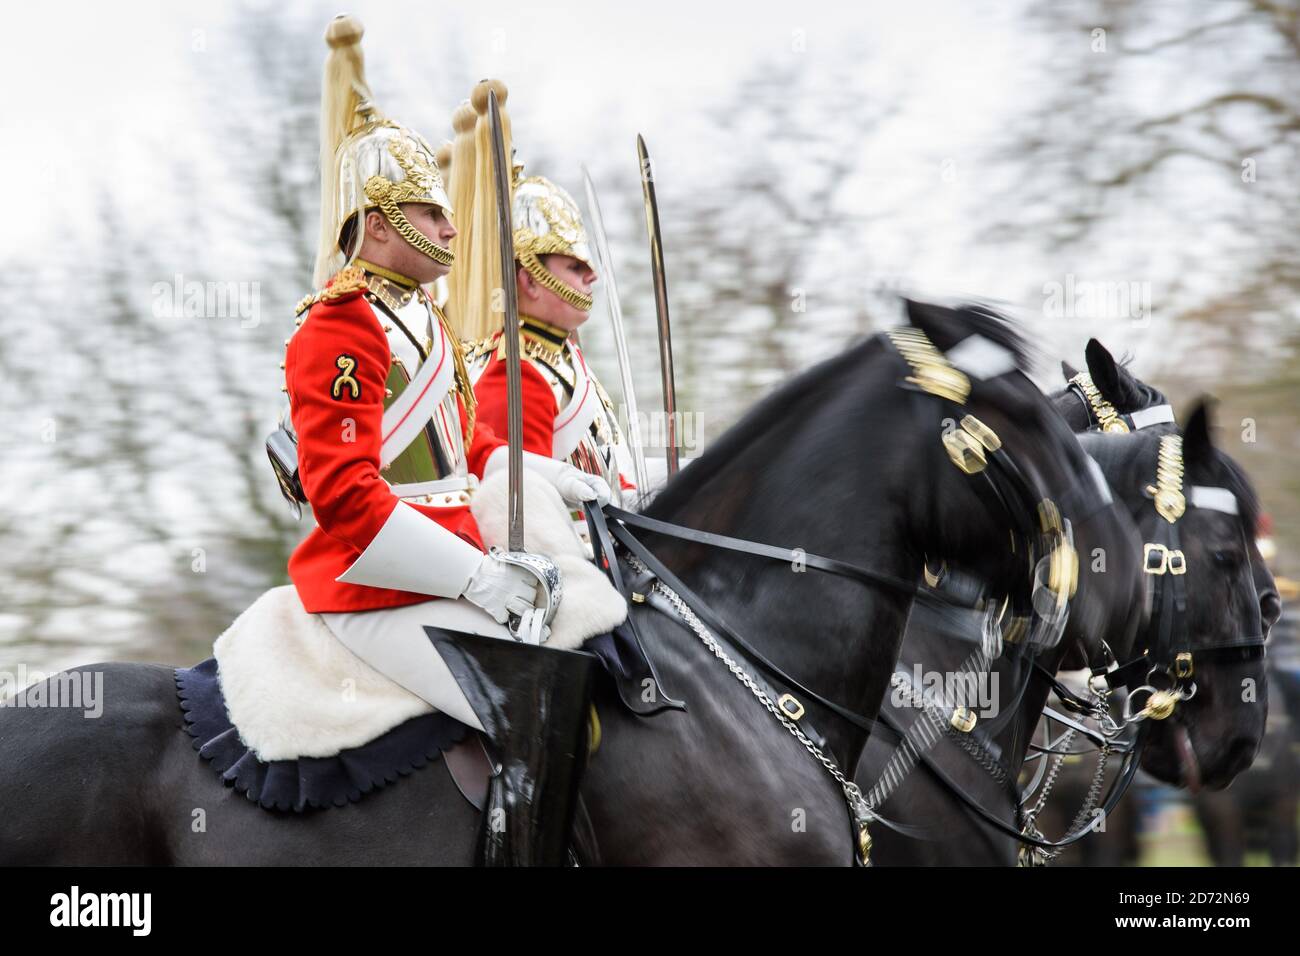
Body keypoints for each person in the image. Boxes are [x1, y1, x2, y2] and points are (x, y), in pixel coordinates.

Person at [281, 15, 607, 865]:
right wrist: (473, 576)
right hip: (368, 583)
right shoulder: (342, 326)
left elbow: (470, 460)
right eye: (433, 211)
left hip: (450, 558)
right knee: (530, 706)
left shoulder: (418, 319)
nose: (455, 228)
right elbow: (346, 498)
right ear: (380, 224)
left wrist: (563, 491)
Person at [466, 173, 639, 545]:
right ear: (530, 281)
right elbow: (529, 512)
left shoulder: (565, 358)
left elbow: (611, 471)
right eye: (575, 267)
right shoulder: (516, 374)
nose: (591, 276)